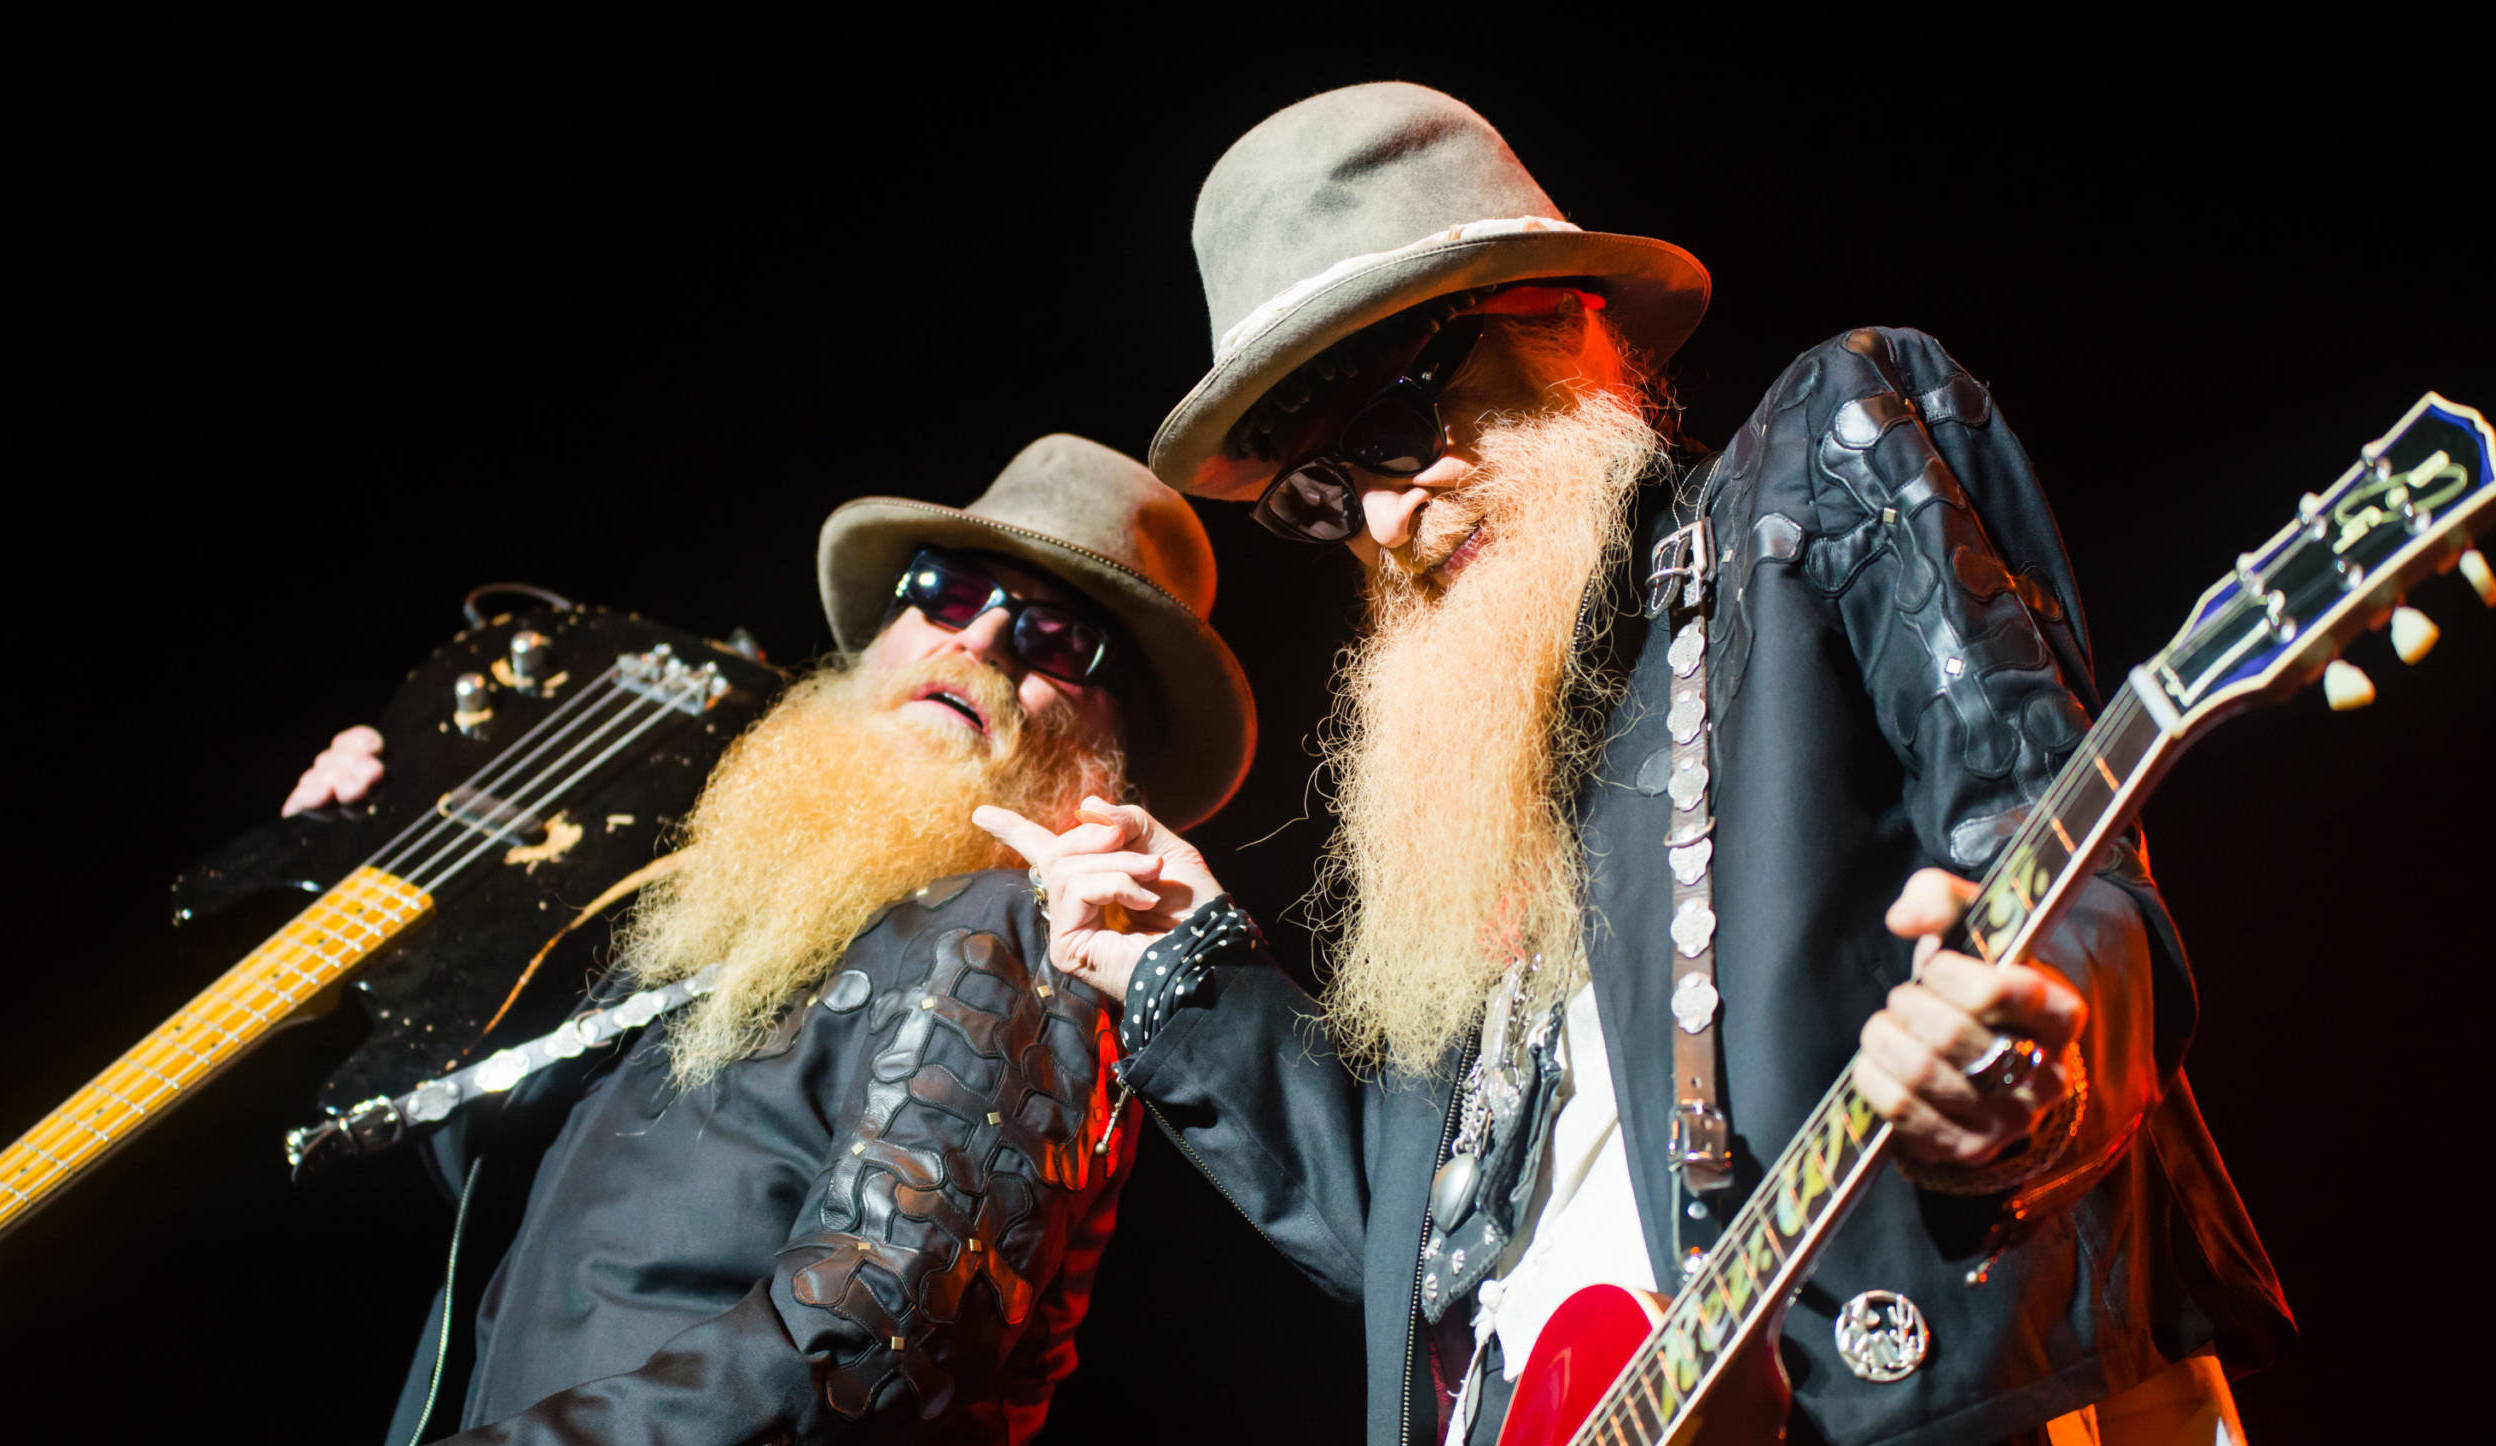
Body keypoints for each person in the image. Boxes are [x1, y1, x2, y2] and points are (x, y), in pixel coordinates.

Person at [979, 86, 2288, 1445]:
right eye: (1317, 491)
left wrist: (2032, 1057)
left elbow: (2054, 851)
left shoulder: (1813, 471)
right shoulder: (1474, 781)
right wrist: (1183, 973)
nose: (1378, 513)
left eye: (1393, 421)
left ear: (1564, 316)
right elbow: (1410, 1258)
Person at [294, 435, 1255, 1443]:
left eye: (1059, 638)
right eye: (947, 591)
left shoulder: (1008, 930)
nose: (981, 641)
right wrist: (346, 885)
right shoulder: (736, 936)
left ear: (1110, 750)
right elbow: (511, 1204)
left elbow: (866, 1348)